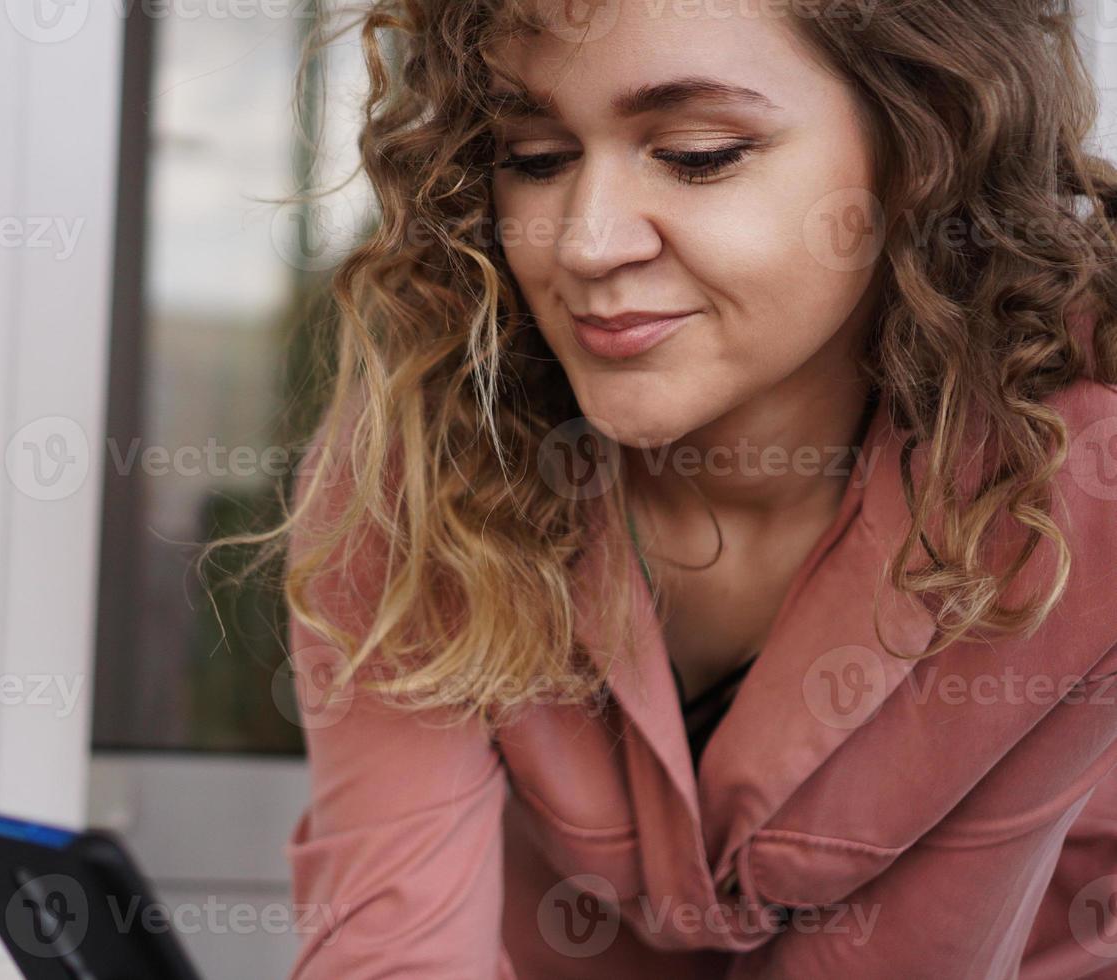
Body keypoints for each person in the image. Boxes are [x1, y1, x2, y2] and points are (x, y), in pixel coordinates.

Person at [224, 0, 1117, 975]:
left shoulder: (1079, 479)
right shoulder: (422, 446)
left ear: (924, 151)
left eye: (698, 154)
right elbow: (392, 949)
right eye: (534, 156)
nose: (585, 244)